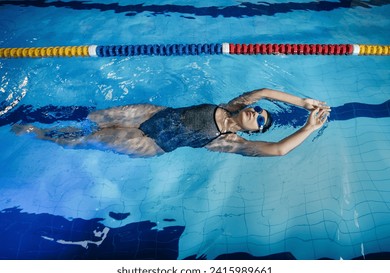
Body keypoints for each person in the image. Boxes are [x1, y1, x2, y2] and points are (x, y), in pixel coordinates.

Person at [12, 88, 330, 157]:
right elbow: (262, 90)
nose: (257, 114)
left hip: (154, 143)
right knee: (94, 119)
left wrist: (309, 127)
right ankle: (44, 114)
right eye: (260, 111)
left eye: (260, 121)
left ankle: (39, 134)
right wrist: (303, 102)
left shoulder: (230, 141)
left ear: (253, 131)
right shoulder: (231, 105)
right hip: (152, 114)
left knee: (90, 139)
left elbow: (277, 150)